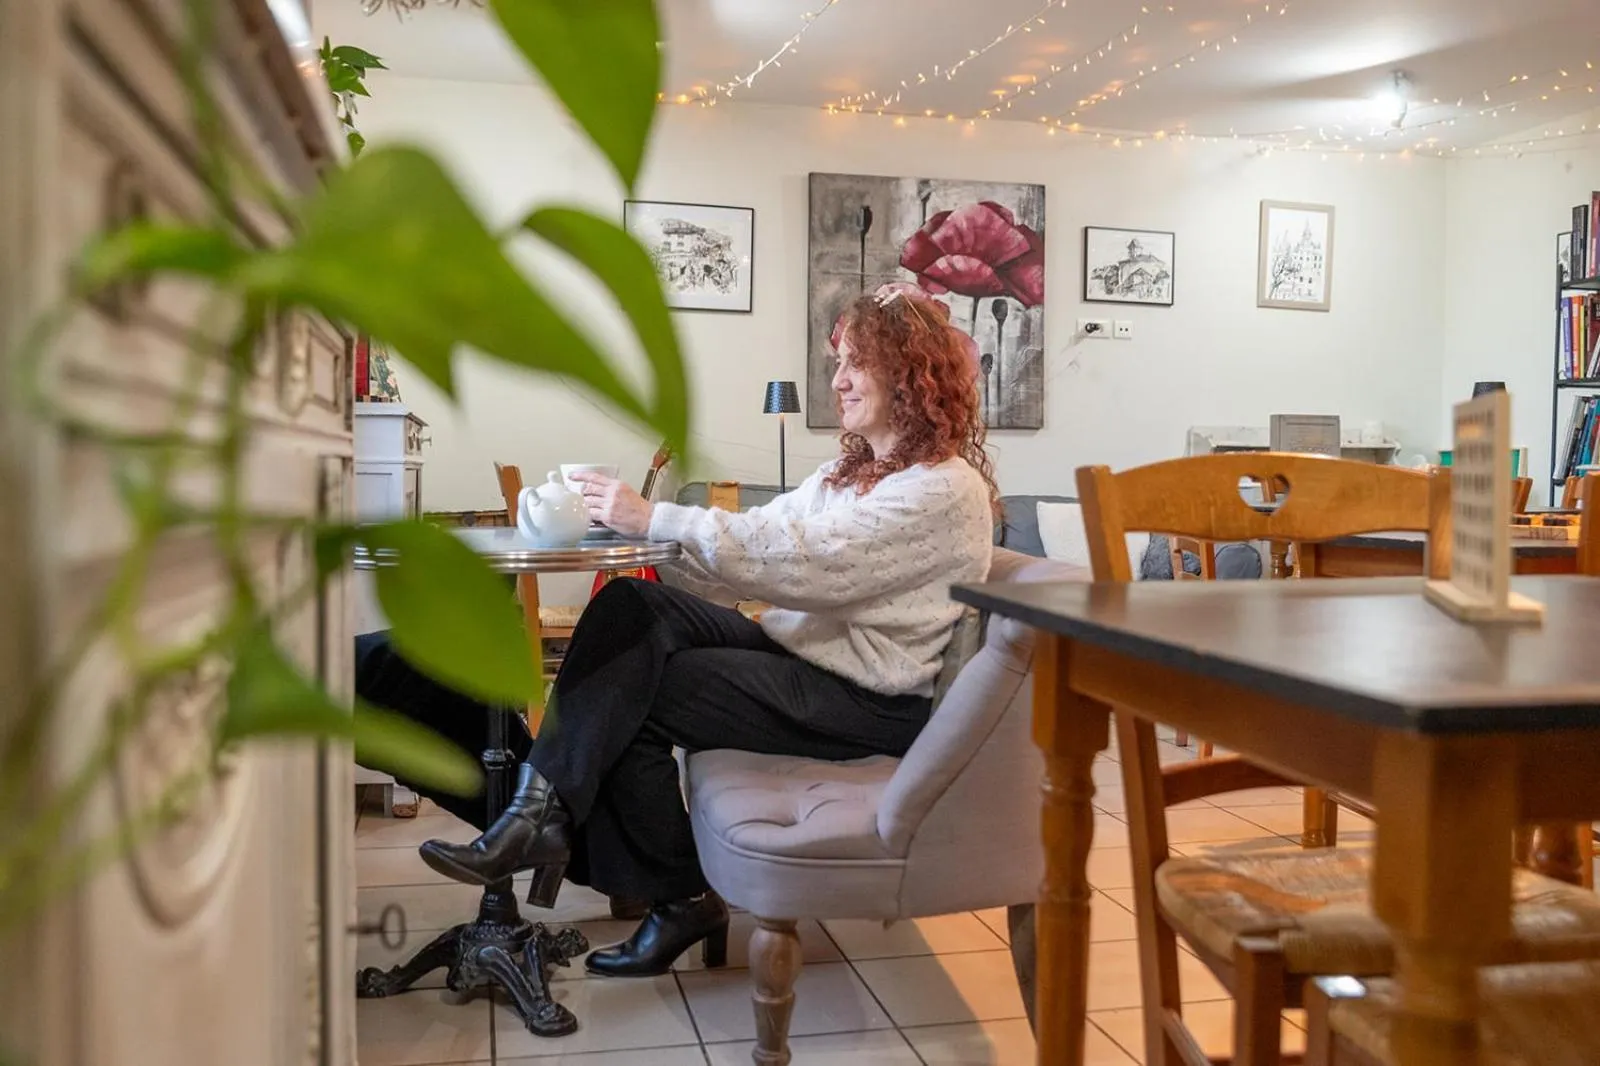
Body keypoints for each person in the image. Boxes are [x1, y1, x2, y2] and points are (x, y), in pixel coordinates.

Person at [356, 284, 997, 977]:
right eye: (836, 363)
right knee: (632, 609)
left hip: (867, 697)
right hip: (811, 653)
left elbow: (809, 566)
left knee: (646, 688)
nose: (837, 380)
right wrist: (632, 529)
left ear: (909, 373)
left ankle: (667, 890)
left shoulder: (942, 488)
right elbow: (762, 548)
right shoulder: (850, 475)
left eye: (854, 363)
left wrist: (654, 520)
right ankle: (542, 815)